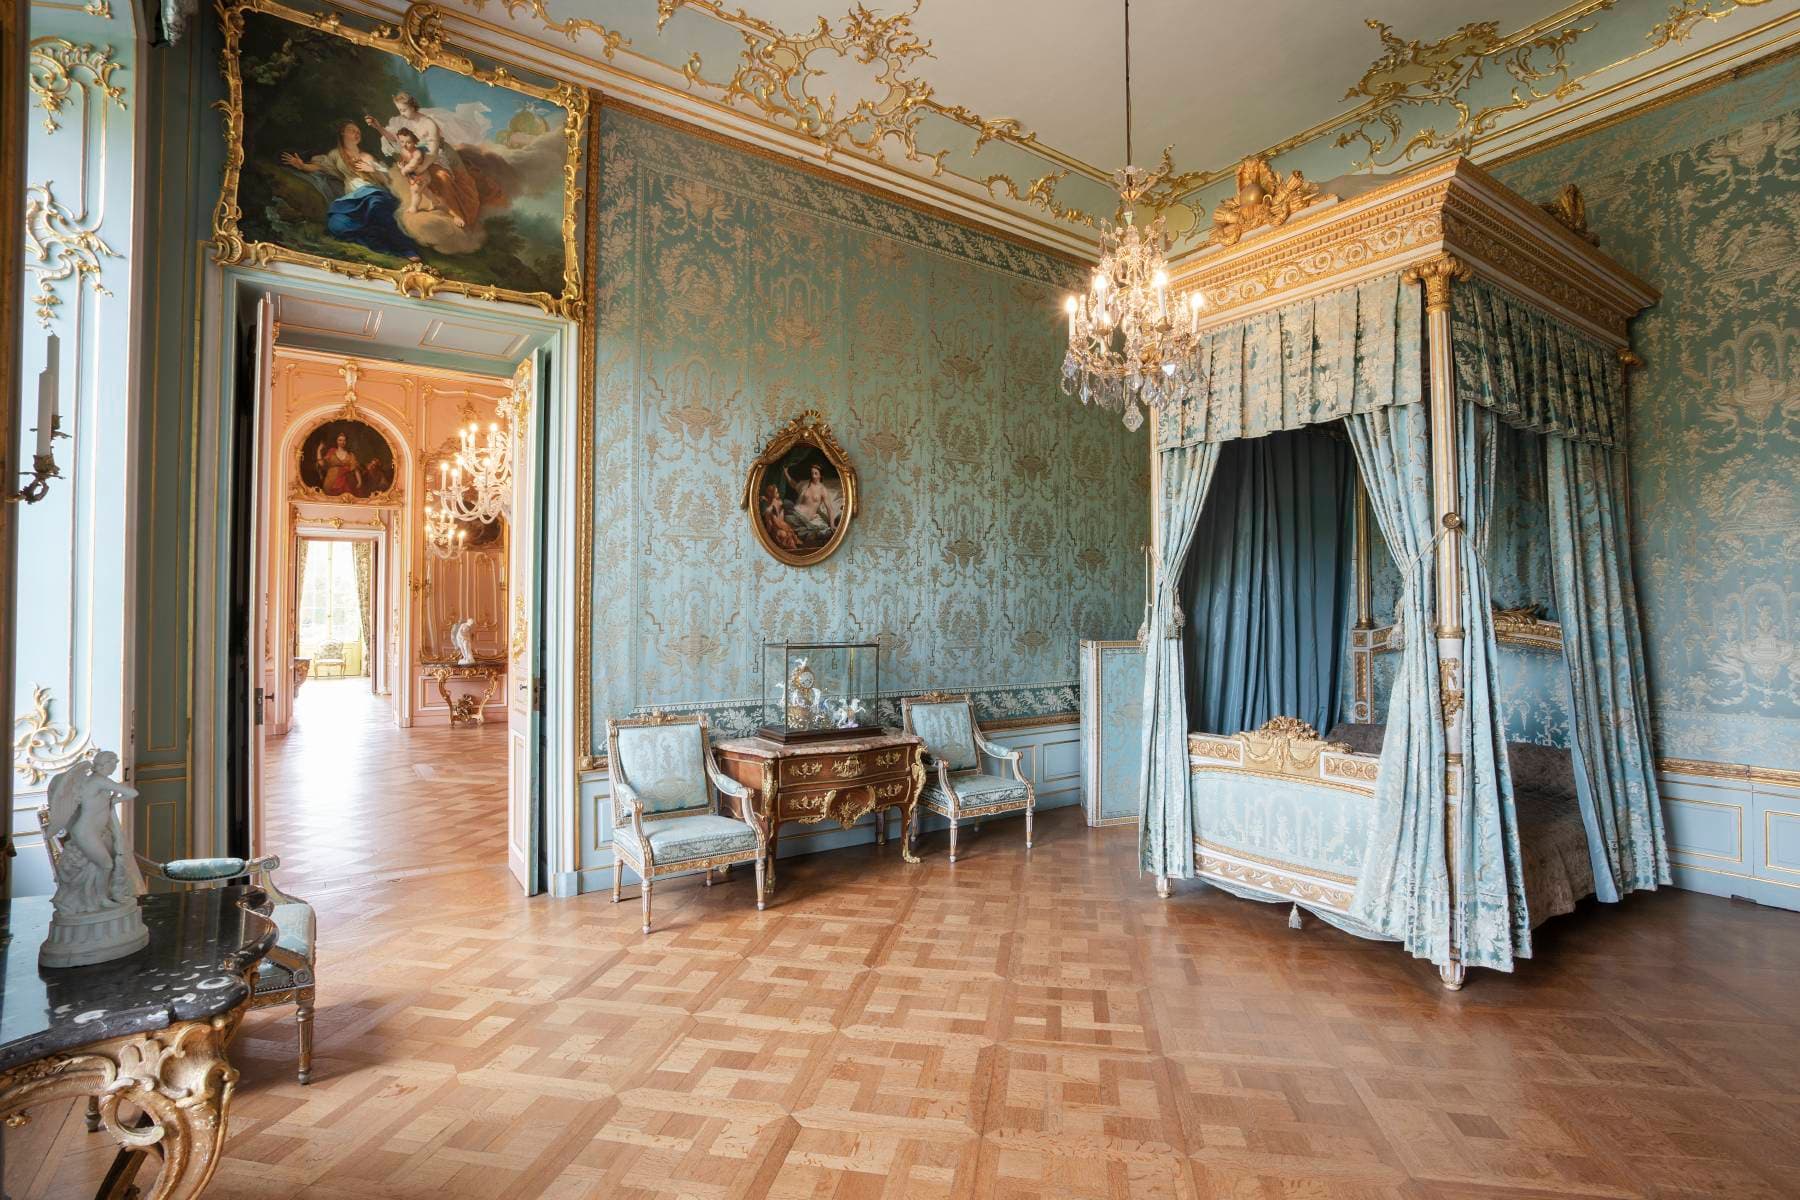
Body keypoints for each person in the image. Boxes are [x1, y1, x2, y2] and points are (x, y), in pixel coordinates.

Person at [279, 122, 420, 258]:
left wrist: (373, 170)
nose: (357, 133)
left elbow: (386, 181)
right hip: (352, 198)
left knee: (376, 205)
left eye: (358, 131)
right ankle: (382, 245)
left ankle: (405, 247)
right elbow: (320, 167)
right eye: (352, 130)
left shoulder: (367, 156)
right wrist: (302, 166)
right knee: (337, 224)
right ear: (342, 133)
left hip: (373, 191)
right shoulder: (335, 154)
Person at [783, 462, 839, 541]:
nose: (813, 475)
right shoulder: (805, 484)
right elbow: (793, 484)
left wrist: (832, 525)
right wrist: (786, 473)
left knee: (788, 521)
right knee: (785, 505)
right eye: (812, 473)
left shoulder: (822, 490)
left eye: (816, 473)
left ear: (820, 475)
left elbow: (830, 509)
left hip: (804, 517)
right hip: (796, 510)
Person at [760, 483, 801, 552]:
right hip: (776, 529)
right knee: (784, 534)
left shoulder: (778, 502)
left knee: (789, 533)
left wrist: (766, 499)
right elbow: (769, 527)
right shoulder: (769, 510)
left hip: (781, 525)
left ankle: (795, 550)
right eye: (776, 492)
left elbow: (778, 507)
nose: (778, 494)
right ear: (771, 495)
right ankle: (794, 550)